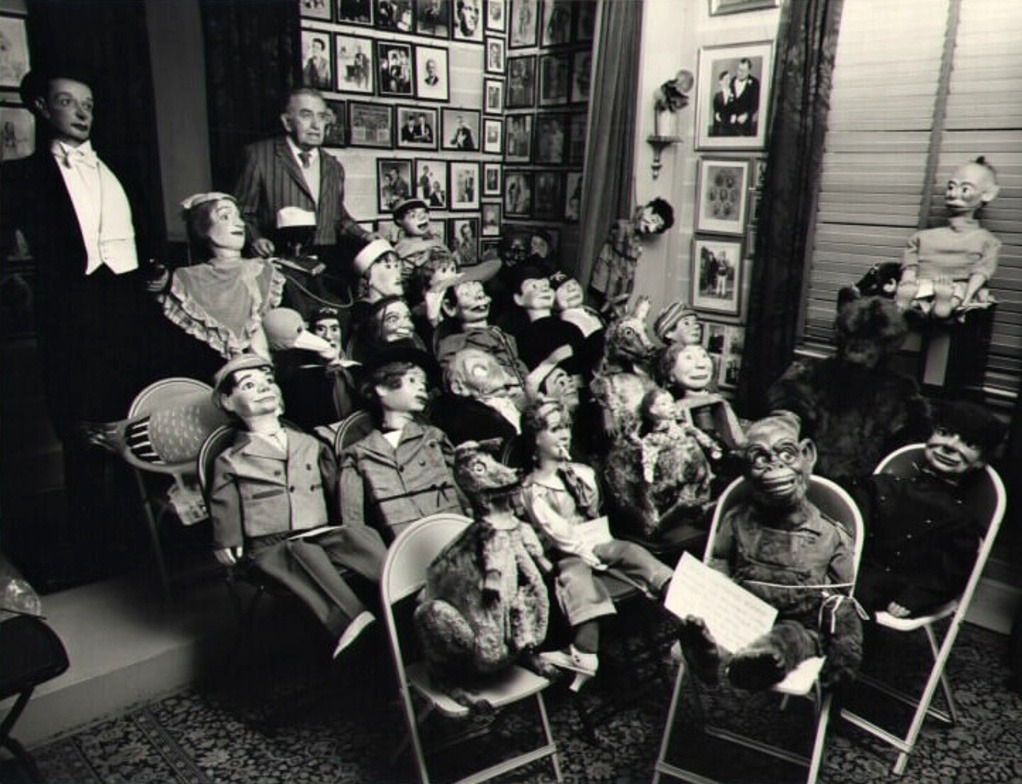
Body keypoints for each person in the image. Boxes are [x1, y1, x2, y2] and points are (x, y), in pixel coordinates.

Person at [1, 69, 159, 577]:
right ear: (43, 109)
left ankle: (142, 536)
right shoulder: (20, 176)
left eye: (87, 102)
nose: (82, 111)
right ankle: (92, 545)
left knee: (133, 421)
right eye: (68, 102)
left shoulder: (123, 168)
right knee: (82, 429)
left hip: (126, 311)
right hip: (69, 315)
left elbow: (146, 234)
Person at [209, 355, 387, 659]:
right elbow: (223, 498)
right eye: (249, 385)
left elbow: (336, 487)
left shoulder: (308, 442)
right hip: (270, 542)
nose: (264, 388)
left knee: (360, 537)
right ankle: (351, 622)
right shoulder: (232, 458)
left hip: (317, 528)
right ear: (227, 401)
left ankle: (404, 591)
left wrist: (351, 516)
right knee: (303, 554)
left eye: (268, 382)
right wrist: (227, 539)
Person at [676, 413, 863, 691]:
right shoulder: (736, 520)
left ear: (807, 454)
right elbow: (718, 562)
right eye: (761, 459)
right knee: (717, 626)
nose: (775, 465)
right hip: (742, 613)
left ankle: (760, 663)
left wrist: (843, 651)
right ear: (745, 468)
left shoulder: (830, 533)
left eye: (786, 454)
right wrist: (717, 595)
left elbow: (840, 599)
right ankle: (708, 654)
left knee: (788, 639)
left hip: (797, 625)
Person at [519, 398, 677, 689]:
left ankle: (675, 591)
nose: (563, 434)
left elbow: (594, 509)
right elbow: (555, 530)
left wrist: (580, 478)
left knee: (630, 550)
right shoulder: (534, 488)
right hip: (567, 550)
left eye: (565, 427)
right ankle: (584, 650)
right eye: (554, 429)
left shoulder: (581, 472)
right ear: (535, 439)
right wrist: (581, 552)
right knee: (575, 577)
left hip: (595, 537)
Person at [844, 401, 1005, 619]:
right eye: (944, 433)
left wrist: (915, 595)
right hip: (853, 565)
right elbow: (850, 525)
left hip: (896, 583)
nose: (950, 446)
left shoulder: (960, 519)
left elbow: (950, 572)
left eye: (969, 443)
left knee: (852, 596)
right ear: (930, 436)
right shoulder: (883, 485)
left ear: (980, 462)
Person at [339, 345, 469, 543]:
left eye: (424, 384)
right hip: (405, 552)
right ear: (382, 388)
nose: (421, 388)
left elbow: (462, 494)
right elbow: (353, 520)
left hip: (455, 536)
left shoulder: (435, 438)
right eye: (412, 380)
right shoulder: (358, 454)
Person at [233, 87, 369, 264]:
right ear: (287, 122)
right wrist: (255, 240)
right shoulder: (259, 156)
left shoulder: (334, 166)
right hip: (279, 262)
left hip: (325, 264)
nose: (315, 125)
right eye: (306, 115)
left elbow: (338, 217)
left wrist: (365, 235)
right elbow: (242, 212)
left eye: (321, 117)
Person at [157, 193, 285, 366]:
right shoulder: (188, 278)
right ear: (203, 228)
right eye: (225, 216)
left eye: (239, 217)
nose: (239, 223)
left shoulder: (264, 271)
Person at [895, 158, 1001, 319]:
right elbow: (910, 266)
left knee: (955, 294)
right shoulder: (922, 237)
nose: (953, 194)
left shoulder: (987, 241)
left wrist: (967, 298)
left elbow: (981, 272)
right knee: (912, 293)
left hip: (954, 288)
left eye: (965, 189)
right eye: (951, 187)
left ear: (987, 194)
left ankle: (942, 304)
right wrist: (907, 282)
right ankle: (908, 303)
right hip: (922, 285)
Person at [588, 198, 675, 309]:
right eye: (654, 220)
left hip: (614, 292)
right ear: (647, 210)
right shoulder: (624, 227)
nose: (652, 229)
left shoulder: (636, 237)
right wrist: (612, 300)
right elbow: (617, 267)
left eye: (657, 227)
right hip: (605, 288)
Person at [726, 58, 760, 136]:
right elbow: (727, 101)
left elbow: (756, 103)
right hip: (730, 124)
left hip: (745, 126)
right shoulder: (732, 81)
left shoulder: (754, 83)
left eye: (743, 71)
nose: (740, 73)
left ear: (749, 71)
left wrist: (746, 115)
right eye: (739, 69)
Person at [711, 70, 732, 136]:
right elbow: (716, 106)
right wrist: (717, 113)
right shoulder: (717, 95)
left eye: (728, 79)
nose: (727, 81)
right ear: (720, 82)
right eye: (724, 79)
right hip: (720, 125)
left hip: (731, 124)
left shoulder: (735, 94)